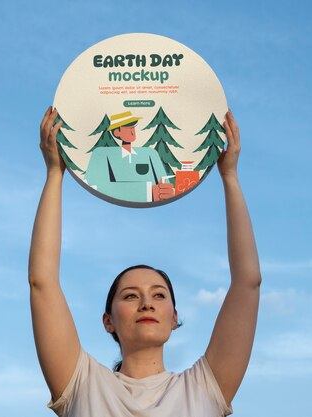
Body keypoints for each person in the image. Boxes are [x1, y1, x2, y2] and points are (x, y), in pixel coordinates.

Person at [29, 105, 261, 416]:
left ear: (174, 317)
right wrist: (55, 174)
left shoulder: (205, 386)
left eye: (159, 295)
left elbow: (248, 283)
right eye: (130, 296)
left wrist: (230, 176)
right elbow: (42, 282)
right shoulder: (81, 383)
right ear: (107, 320)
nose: (147, 303)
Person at [84, 111, 175, 203]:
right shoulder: (102, 154)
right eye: (128, 128)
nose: (133, 132)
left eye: (133, 128)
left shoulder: (150, 153)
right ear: (116, 132)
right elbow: (94, 186)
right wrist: (149, 193)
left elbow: (164, 184)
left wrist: (167, 191)